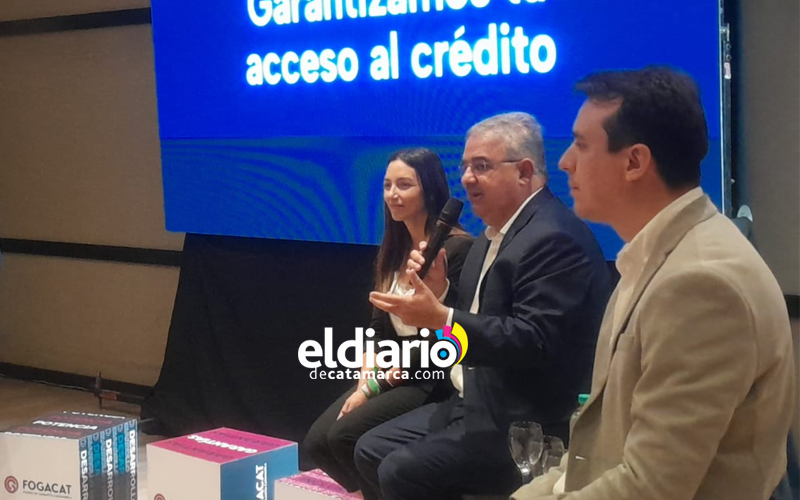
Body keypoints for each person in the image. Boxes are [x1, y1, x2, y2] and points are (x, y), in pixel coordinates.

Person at [511, 67, 797, 500]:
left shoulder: (700, 283)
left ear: (635, 162)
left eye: (582, 145)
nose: (565, 161)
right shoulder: (657, 254)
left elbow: (651, 487)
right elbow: (601, 442)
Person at [354, 112, 612, 500]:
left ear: (525, 172)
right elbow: (472, 326)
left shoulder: (553, 238)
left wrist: (441, 316)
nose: (467, 178)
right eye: (465, 167)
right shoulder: (491, 238)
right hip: (473, 400)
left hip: (524, 419)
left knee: (399, 470)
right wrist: (440, 295)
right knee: (366, 448)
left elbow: (533, 340)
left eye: (482, 166)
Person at [303, 147, 473, 496]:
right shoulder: (394, 250)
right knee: (317, 442)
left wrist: (372, 388)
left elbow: (447, 336)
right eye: (387, 185)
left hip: (429, 376)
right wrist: (365, 378)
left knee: (344, 436)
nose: (393, 194)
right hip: (390, 372)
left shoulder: (456, 249)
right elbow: (377, 329)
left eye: (404, 185)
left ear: (429, 190)